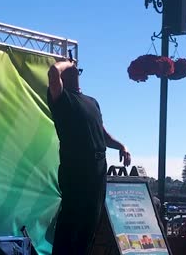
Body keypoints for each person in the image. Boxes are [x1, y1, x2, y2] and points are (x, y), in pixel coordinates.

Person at [47, 60, 131, 254]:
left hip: (98, 168)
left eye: (78, 70)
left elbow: (101, 133)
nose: (76, 70)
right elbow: (52, 72)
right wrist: (66, 63)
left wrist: (120, 145)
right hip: (76, 168)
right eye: (71, 69)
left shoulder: (92, 101)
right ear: (64, 75)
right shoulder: (62, 99)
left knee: (90, 221)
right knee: (71, 221)